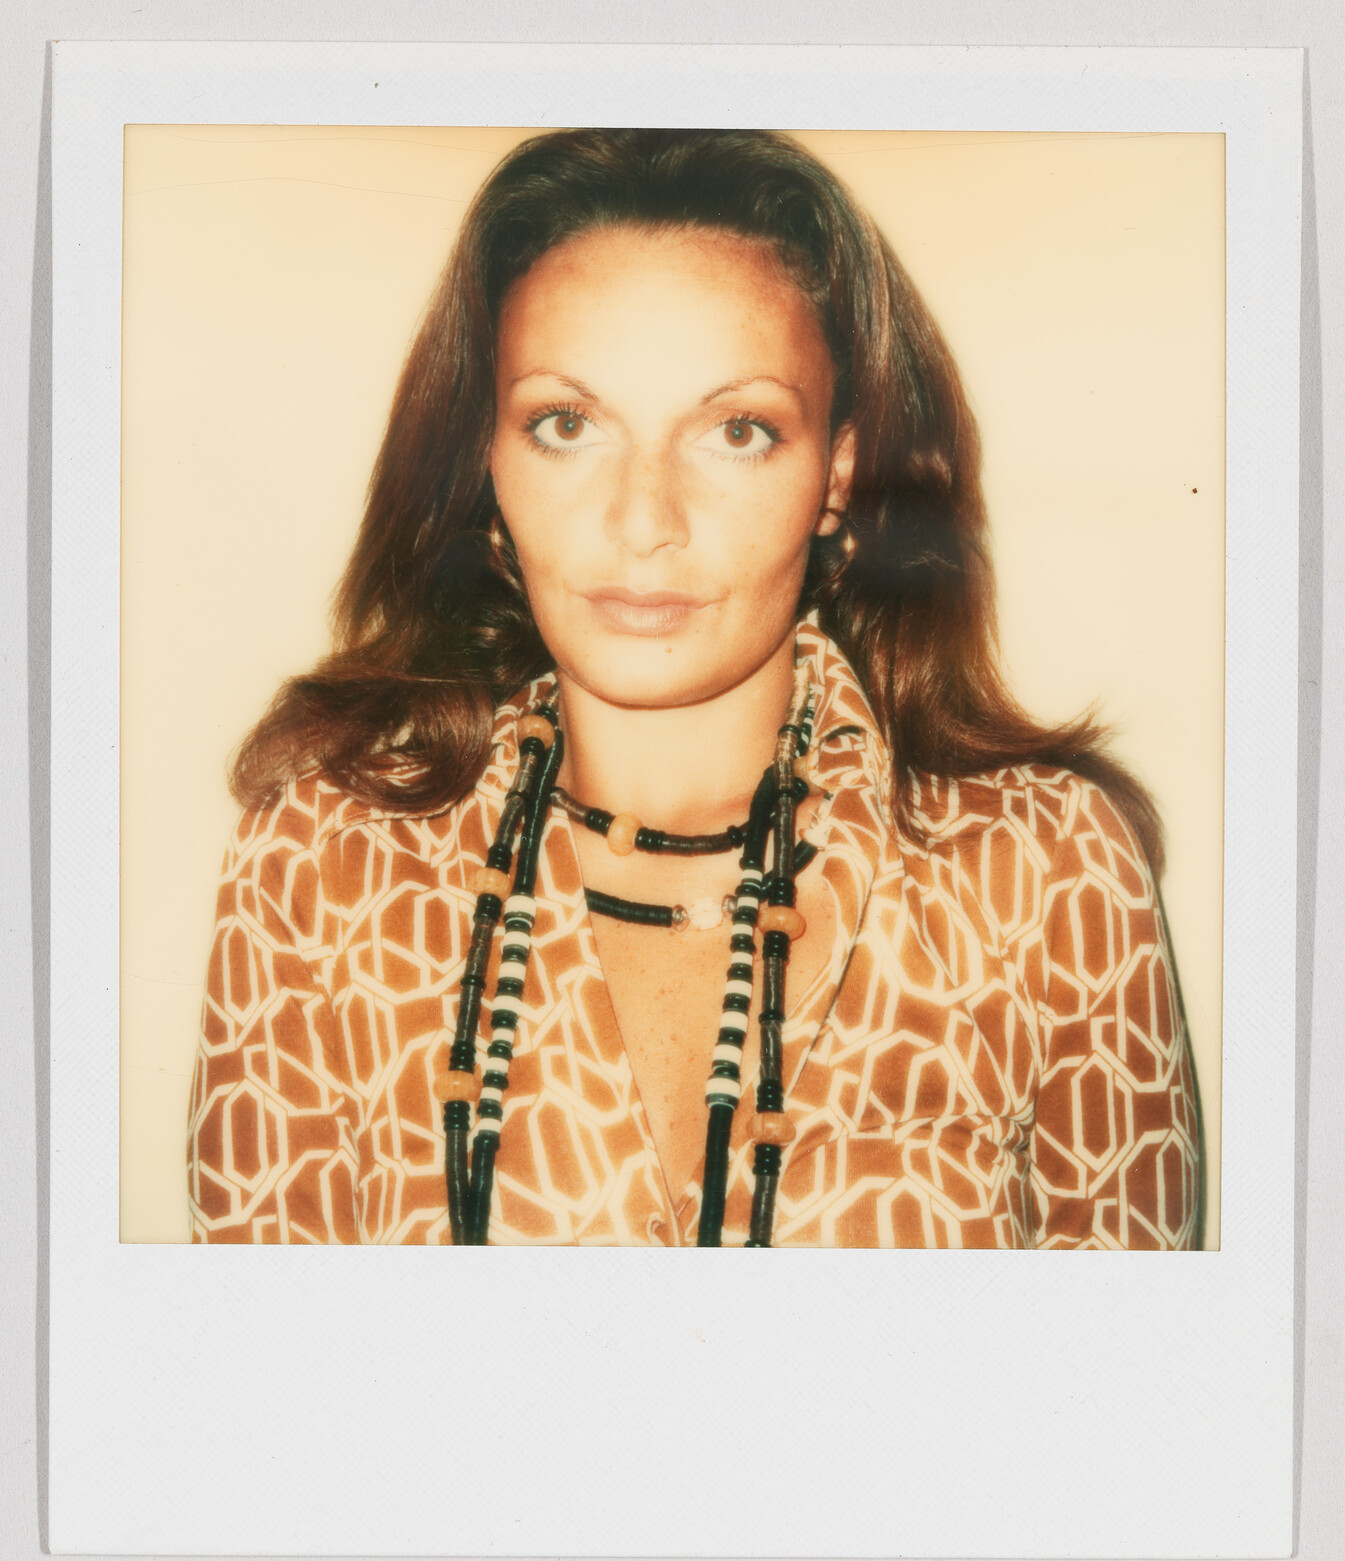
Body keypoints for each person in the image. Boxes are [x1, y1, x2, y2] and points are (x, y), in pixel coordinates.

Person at [187, 127, 1201, 1248]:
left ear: (839, 471)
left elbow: (1128, 1403)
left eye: (736, 430)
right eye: (566, 424)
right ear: (485, 458)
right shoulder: (321, 868)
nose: (644, 522)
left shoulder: (1050, 876)